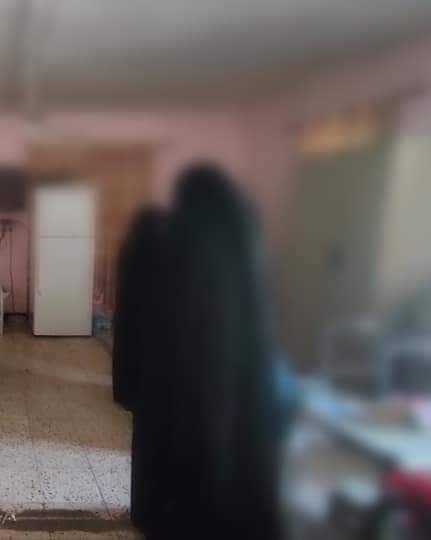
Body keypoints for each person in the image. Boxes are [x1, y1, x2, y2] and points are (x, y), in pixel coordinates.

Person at [130, 164, 284, 539]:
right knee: (225, 464)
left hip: (180, 384)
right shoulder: (245, 242)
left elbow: (156, 320)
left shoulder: (178, 242)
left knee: (178, 469)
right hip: (239, 385)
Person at [112, 207, 166, 409]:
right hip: (143, 313)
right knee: (138, 356)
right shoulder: (152, 248)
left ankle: (122, 393)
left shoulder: (129, 245)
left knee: (124, 354)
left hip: (126, 310)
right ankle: (133, 396)